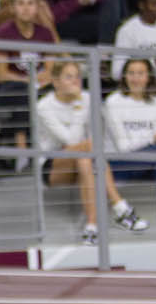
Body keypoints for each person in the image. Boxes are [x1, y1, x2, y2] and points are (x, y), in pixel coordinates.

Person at [38, 58, 148, 240]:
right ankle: (121, 209)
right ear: (55, 81)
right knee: (88, 151)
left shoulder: (88, 98)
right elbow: (70, 139)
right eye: (68, 77)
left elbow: (94, 136)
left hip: (84, 158)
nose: (75, 81)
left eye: (77, 77)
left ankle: (92, 227)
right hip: (53, 166)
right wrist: (79, 106)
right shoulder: (45, 106)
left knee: (85, 159)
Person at [103, 57, 156, 237]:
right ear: (124, 77)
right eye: (131, 73)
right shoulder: (114, 102)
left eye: (140, 73)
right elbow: (123, 146)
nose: (135, 78)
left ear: (148, 77)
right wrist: (153, 137)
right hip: (119, 164)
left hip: (151, 161)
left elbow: (155, 146)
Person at [0, 0, 58, 167]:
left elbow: (51, 69)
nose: (26, 8)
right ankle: (24, 150)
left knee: (52, 93)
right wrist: (28, 80)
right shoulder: (3, 33)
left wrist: (42, 77)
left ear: (37, 8)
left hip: (37, 85)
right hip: (11, 87)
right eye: (20, 3)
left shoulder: (44, 33)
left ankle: (45, 149)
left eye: (30, 3)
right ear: (13, 8)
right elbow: (1, 73)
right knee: (24, 94)